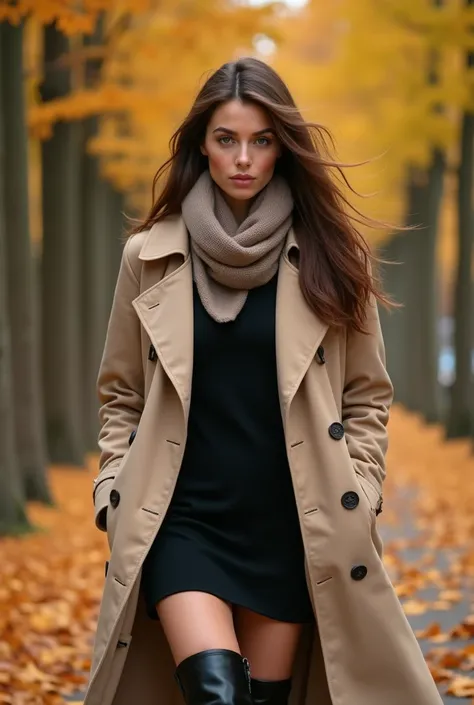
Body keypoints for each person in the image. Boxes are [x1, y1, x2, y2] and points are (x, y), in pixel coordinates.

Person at [84, 58, 444, 705]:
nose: (243, 157)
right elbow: (121, 391)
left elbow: (367, 394)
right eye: (226, 139)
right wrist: (113, 485)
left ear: (283, 145)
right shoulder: (149, 256)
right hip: (182, 521)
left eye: (261, 140)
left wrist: (360, 490)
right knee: (217, 692)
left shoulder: (333, 255)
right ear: (202, 144)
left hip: (292, 526)